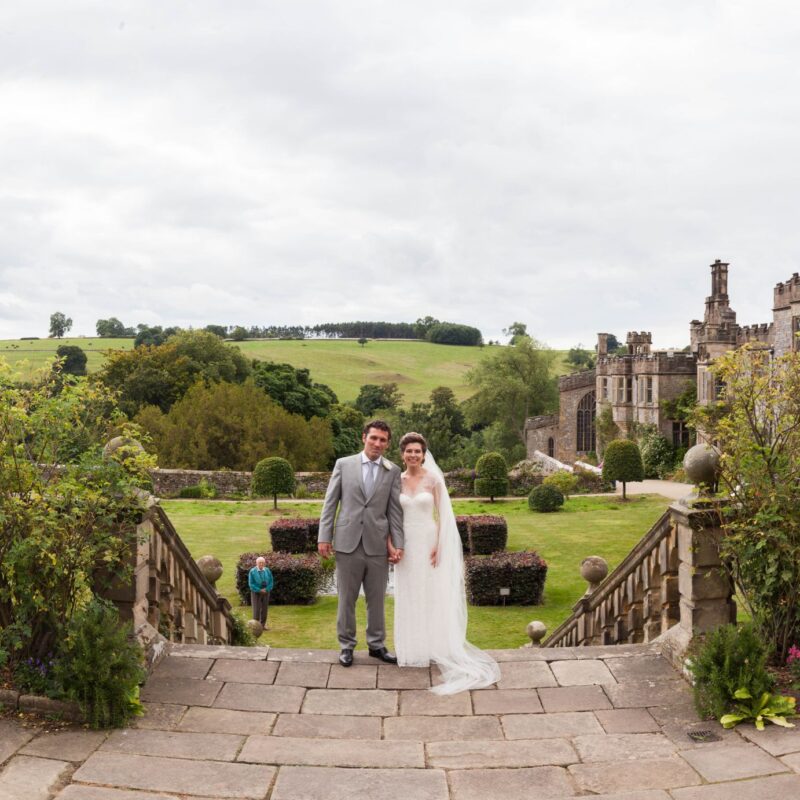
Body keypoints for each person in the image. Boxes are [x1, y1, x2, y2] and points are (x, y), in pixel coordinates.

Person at [392, 431, 500, 694]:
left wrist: (439, 546)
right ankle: (411, 650)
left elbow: (444, 516)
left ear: (424, 453)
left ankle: (433, 647)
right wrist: (392, 545)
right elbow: (390, 515)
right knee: (408, 593)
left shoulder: (433, 479)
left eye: (418, 451)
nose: (413, 455)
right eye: (409, 451)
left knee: (430, 593)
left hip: (429, 542)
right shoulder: (396, 480)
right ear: (402, 454)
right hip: (405, 544)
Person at [318, 419, 404, 667]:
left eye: (383, 440)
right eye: (374, 437)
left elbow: (395, 512)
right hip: (347, 543)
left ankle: (377, 645)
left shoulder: (393, 471)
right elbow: (330, 503)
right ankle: (346, 646)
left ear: (387, 444)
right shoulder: (343, 465)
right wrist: (324, 536)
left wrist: (398, 544)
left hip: (377, 545)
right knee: (346, 598)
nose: (377, 443)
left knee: (377, 599)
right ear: (363, 437)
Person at [248, 556, 274, 629]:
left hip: (266, 592)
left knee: (264, 609)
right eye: (260, 563)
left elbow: (271, 582)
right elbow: (251, 584)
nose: (261, 564)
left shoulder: (267, 570)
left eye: (263, 563)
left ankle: (263, 625)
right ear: (256, 563)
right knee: (256, 610)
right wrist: (259, 590)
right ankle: (256, 626)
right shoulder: (252, 571)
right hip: (256, 593)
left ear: (264, 563)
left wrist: (267, 589)